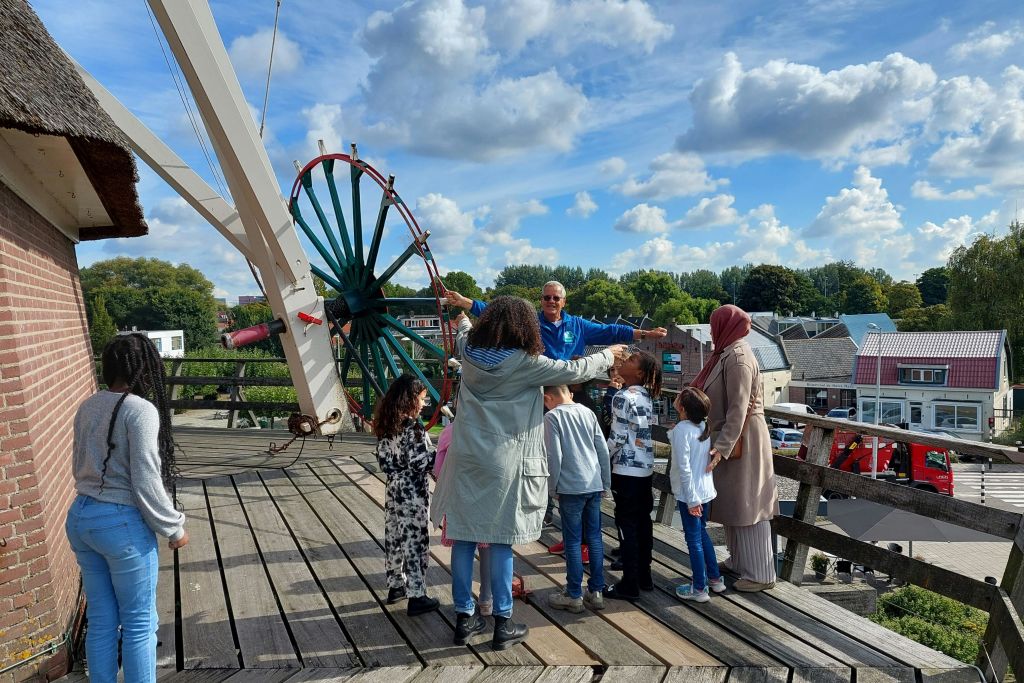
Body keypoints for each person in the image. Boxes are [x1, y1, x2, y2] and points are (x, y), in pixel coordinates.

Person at [431, 296, 624, 650]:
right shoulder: (526, 364)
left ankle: (464, 618)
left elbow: (463, 334)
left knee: (462, 536)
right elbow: (574, 371)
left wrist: (462, 319)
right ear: (525, 327)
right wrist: (610, 354)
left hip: (466, 458)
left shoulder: (469, 353)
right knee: (501, 539)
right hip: (506, 463)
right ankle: (502, 623)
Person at [65, 333, 188, 683]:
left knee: (102, 619)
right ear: (146, 368)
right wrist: (174, 527)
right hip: (120, 526)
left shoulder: (88, 404)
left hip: (80, 517)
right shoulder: (140, 410)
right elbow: (146, 479)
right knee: (139, 622)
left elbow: (79, 461)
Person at [690, 305, 779, 593]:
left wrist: (722, 447)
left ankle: (761, 573)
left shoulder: (737, 357)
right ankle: (741, 562)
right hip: (734, 437)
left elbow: (739, 408)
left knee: (749, 503)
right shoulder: (728, 352)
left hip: (743, 439)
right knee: (736, 502)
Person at [445, 280, 667, 360]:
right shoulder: (529, 321)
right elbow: (497, 313)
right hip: (540, 387)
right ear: (541, 300)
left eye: (556, 298)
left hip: (570, 387)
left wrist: (646, 334)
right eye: (546, 297)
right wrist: (465, 302)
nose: (551, 301)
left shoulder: (578, 325)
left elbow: (612, 331)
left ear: (564, 301)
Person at [373, 374, 440, 617]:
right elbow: (418, 461)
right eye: (421, 400)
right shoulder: (413, 427)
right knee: (415, 541)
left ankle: (395, 586)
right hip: (412, 490)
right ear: (410, 399)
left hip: (393, 487)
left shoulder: (386, 424)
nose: (423, 404)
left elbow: (383, 459)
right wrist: (440, 454)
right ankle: (417, 594)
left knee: (394, 537)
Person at [543, 385, 610, 613]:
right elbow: (601, 448)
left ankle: (573, 594)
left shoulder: (552, 417)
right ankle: (596, 591)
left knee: (572, 540)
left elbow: (554, 455)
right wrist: (605, 482)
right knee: (594, 537)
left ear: (548, 398)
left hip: (570, 487)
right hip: (594, 483)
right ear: (569, 393)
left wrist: (553, 489)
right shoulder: (587, 412)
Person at [605, 351, 662, 601]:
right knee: (643, 521)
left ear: (638, 373)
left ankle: (628, 584)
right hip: (645, 467)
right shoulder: (647, 396)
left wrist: (602, 457)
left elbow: (617, 437)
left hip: (625, 469)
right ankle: (644, 575)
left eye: (629, 361)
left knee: (625, 524)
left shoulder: (621, 396)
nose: (623, 362)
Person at [433, 415, 493, 620]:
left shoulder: (449, 431)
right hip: (486, 498)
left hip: (457, 498)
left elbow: (438, 470)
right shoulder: (491, 429)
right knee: (488, 549)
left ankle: (463, 606)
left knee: (462, 547)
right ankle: (486, 599)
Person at [669, 387, 726, 602]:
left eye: (678, 397)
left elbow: (684, 468)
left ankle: (699, 588)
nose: (675, 396)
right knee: (702, 534)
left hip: (690, 494)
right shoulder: (701, 426)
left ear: (681, 408)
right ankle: (715, 579)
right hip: (705, 491)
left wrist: (691, 500)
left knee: (693, 540)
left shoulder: (682, 431)